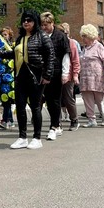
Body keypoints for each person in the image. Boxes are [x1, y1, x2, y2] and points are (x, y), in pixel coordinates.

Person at [1, 10, 54, 149]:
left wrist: (47, 75)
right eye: (24, 20)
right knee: (20, 106)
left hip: (36, 76)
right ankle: (22, 137)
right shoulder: (20, 38)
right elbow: (14, 53)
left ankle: (37, 137)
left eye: (29, 20)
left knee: (35, 106)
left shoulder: (42, 36)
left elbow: (50, 56)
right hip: (20, 76)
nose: (26, 22)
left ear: (35, 22)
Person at [40, 12, 69, 141]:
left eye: (46, 25)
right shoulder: (39, 36)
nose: (44, 27)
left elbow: (66, 56)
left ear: (52, 23)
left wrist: (65, 73)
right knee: (43, 100)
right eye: (42, 25)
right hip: (42, 73)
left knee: (54, 100)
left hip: (56, 72)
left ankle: (55, 125)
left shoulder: (60, 36)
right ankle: (54, 124)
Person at [78, 24, 104, 128]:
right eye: (82, 36)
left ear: (91, 36)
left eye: (85, 36)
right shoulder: (84, 48)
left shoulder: (99, 46)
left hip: (97, 77)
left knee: (99, 99)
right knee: (87, 99)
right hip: (85, 77)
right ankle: (91, 119)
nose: (83, 38)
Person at [58, 22, 81, 131]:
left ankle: (74, 120)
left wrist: (75, 75)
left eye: (64, 33)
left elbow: (76, 61)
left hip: (69, 75)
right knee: (55, 99)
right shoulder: (54, 42)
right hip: (55, 75)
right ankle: (57, 123)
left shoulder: (71, 43)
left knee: (68, 99)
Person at [0, 26, 15, 130]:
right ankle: (8, 120)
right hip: (1, 76)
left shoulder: (12, 46)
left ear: (9, 35)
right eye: (2, 35)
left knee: (7, 99)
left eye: (5, 35)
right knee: (5, 100)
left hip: (9, 77)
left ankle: (7, 120)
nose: (3, 37)